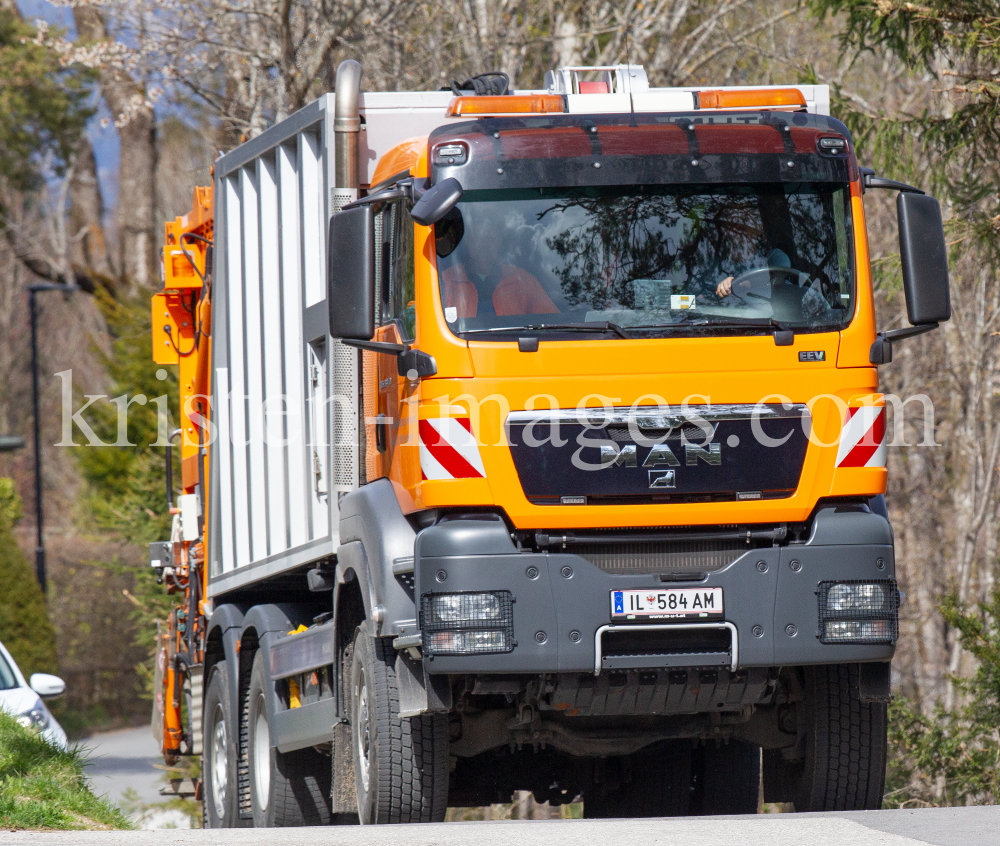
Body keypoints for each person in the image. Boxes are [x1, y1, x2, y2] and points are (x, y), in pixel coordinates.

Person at [437, 210, 559, 319]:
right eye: (478, 239)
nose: (484, 245)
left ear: (499, 243)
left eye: (490, 239)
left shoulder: (523, 280)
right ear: (467, 243)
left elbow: (552, 324)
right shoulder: (444, 281)